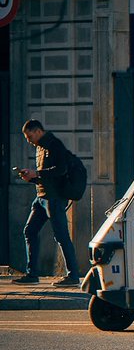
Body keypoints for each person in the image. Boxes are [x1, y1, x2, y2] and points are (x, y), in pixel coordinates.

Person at [11, 119, 82, 286]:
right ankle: (32, 274)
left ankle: (73, 276)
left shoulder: (54, 145)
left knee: (61, 236)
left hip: (54, 198)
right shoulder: (40, 148)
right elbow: (45, 176)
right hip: (42, 197)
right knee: (30, 230)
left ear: (37, 131)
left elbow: (61, 170)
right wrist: (31, 177)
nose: (28, 140)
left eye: (29, 136)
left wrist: (37, 173)